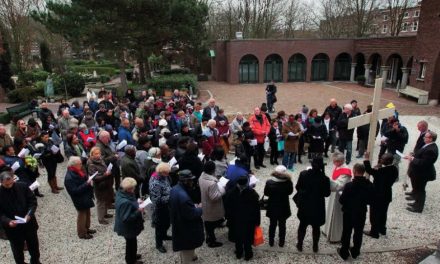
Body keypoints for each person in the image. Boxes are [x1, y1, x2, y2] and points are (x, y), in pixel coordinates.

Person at [0, 171, 41, 264]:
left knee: (34, 247)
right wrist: (8, 221)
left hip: (29, 224)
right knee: (17, 251)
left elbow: (32, 202)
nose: (10, 185)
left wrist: (29, 214)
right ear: (1, 182)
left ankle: (35, 261)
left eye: (11, 183)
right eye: (7, 185)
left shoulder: (22, 186)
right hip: (13, 228)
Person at [337, 163, 374, 260]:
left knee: (346, 232)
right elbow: (370, 200)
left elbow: (342, 200)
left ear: (354, 171)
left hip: (349, 212)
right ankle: (355, 251)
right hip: (361, 212)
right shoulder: (369, 185)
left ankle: (344, 251)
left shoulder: (349, 186)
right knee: (358, 232)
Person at [295, 157, 330, 252]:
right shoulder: (325, 178)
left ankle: (300, 244)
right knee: (316, 227)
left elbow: (297, 187)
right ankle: (315, 246)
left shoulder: (303, 174)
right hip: (317, 206)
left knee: (302, 225)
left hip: (305, 205)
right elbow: (327, 194)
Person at [170, 170, 205, 264]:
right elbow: (192, 214)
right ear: (185, 181)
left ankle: (192, 256)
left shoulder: (174, 188)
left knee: (184, 246)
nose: (192, 182)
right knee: (187, 249)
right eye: (191, 180)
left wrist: (192, 206)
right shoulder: (184, 197)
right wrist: (200, 208)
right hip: (186, 228)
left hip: (178, 222)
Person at [224, 176, 260, 261]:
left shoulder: (231, 193)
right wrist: (257, 222)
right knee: (247, 237)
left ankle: (239, 253)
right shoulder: (253, 194)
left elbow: (227, 207)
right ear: (247, 183)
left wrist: (228, 218)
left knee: (237, 237)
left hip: (235, 220)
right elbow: (256, 210)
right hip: (248, 221)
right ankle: (248, 254)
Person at [363, 152, 398, 238]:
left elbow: (369, 170)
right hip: (387, 194)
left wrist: (366, 159)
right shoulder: (394, 169)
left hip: (377, 195)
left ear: (387, 161)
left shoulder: (381, 171)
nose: (380, 160)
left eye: (382, 159)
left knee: (374, 214)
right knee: (383, 213)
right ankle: (382, 229)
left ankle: (374, 232)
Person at [405, 131, 438, 213]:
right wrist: (414, 155)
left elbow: (424, 163)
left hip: (423, 174)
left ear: (430, 139)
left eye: (425, 137)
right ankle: (416, 202)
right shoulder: (427, 145)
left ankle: (418, 208)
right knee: (417, 188)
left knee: (420, 190)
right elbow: (421, 155)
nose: (424, 138)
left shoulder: (431, 150)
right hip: (418, 172)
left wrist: (412, 159)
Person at [114, 177, 144, 264]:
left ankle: (133, 255)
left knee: (132, 242)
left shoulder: (121, 193)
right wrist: (138, 211)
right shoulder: (125, 202)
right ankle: (131, 260)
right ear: (129, 189)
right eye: (133, 187)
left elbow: (131, 201)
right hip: (127, 228)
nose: (134, 189)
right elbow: (127, 218)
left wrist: (136, 202)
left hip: (127, 227)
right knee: (131, 243)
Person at [64, 156, 96, 239]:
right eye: (80, 164)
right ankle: (82, 233)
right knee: (82, 215)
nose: (81, 165)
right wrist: (87, 184)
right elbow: (74, 191)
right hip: (80, 198)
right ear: (74, 165)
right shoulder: (69, 177)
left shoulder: (76, 171)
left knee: (87, 213)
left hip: (85, 196)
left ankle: (86, 228)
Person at [324, 152, 352, 243]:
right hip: (334, 194)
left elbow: (339, 185)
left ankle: (336, 236)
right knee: (331, 212)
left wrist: (326, 181)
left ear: (341, 161)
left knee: (337, 216)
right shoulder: (338, 166)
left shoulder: (346, 171)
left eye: (335, 161)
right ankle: (328, 230)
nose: (333, 163)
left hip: (340, 195)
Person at [264, 165, 293, 248]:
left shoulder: (269, 182)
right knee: (282, 225)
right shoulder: (288, 182)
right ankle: (281, 242)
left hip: (272, 206)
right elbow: (290, 192)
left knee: (272, 224)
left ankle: (271, 241)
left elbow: (266, 193)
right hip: (283, 206)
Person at [199, 161, 225, 248]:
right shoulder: (212, 183)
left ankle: (208, 238)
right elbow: (214, 197)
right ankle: (212, 242)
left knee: (207, 224)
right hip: (212, 207)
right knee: (211, 225)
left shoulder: (201, 177)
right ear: (213, 170)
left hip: (205, 204)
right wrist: (222, 190)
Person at [149, 163, 172, 253]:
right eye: (166, 173)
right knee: (159, 226)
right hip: (159, 208)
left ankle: (165, 235)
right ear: (161, 172)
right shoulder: (155, 183)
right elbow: (157, 199)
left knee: (166, 222)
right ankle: (159, 244)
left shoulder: (163, 176)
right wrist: (170, 196)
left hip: (166, 205)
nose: (168, 175)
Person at [87, 147, 114, 225]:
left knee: (105, 199)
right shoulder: (91, 164)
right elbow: (95, 177)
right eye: (96, 154)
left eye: (99, 153)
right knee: (100, 202)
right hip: (99, 185)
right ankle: (101, 219)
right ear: (92, 155)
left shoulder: (100, 160)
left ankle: (105, 214)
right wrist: (105, 175)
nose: (98, 155)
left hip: (105, 183)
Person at [405, 120, 429, 195]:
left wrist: (414, 156)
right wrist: (414, 153)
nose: (417, 128)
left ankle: (417, 199)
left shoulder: (428, 135)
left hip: (419, 162)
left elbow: (423, 149)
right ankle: (414, 191)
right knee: (413, 178)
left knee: (419, 184)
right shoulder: (422, 133)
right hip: (416, 157)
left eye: (419, 127)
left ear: (424, 127)